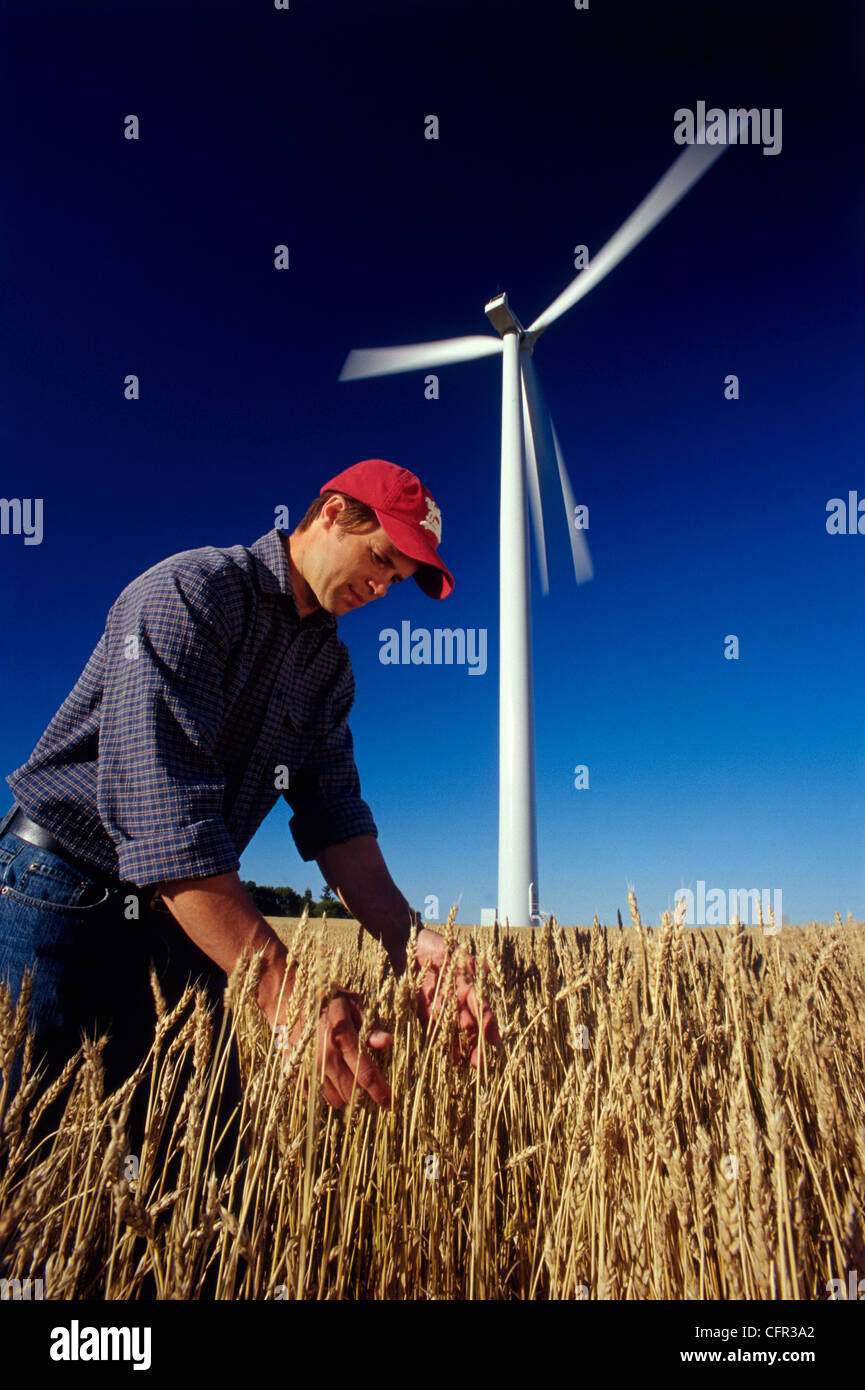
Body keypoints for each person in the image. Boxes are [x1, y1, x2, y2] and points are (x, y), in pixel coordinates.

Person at [0, 458, 500, 1135]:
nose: (383, 587)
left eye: (397, 580)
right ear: (330, 513)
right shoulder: (191, 592)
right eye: (380, 558)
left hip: (188, 915)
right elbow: (164, 821)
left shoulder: (328, 669)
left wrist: (414, 946)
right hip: (62, 892)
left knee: (202, 1161)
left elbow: (337, 823)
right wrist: (291, 1000)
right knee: (25, 1155)